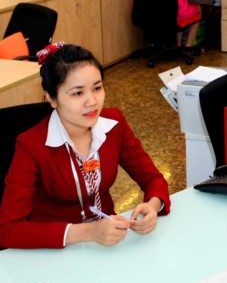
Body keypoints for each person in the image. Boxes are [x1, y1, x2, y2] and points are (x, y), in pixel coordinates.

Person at [0, 43, 171, 249]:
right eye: (78, 93)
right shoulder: (31, 145)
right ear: (51, 98)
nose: (92, 101)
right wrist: (88, 232)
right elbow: (8, 229)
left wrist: (153, 206)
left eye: (97, 88)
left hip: (107, 243)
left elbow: (152, 178)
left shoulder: (114, 124)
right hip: (56, 248)